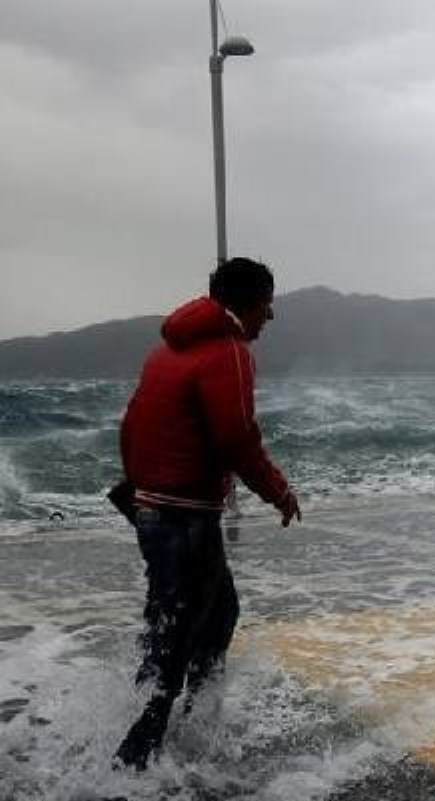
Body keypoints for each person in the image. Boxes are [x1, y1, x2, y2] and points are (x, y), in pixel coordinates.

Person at [113, 256, 301, 770]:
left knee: (193, 618)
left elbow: (131, 425)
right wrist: (279, 492)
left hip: (155, 509)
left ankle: (186, 725)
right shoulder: (228, 352)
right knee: (182, 633)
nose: (270, 316)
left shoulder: (166, 350)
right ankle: (136, 759)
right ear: (250, 302)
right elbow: (237, 437)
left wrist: (143, 485)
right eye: (268, 304)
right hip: (186, 516)